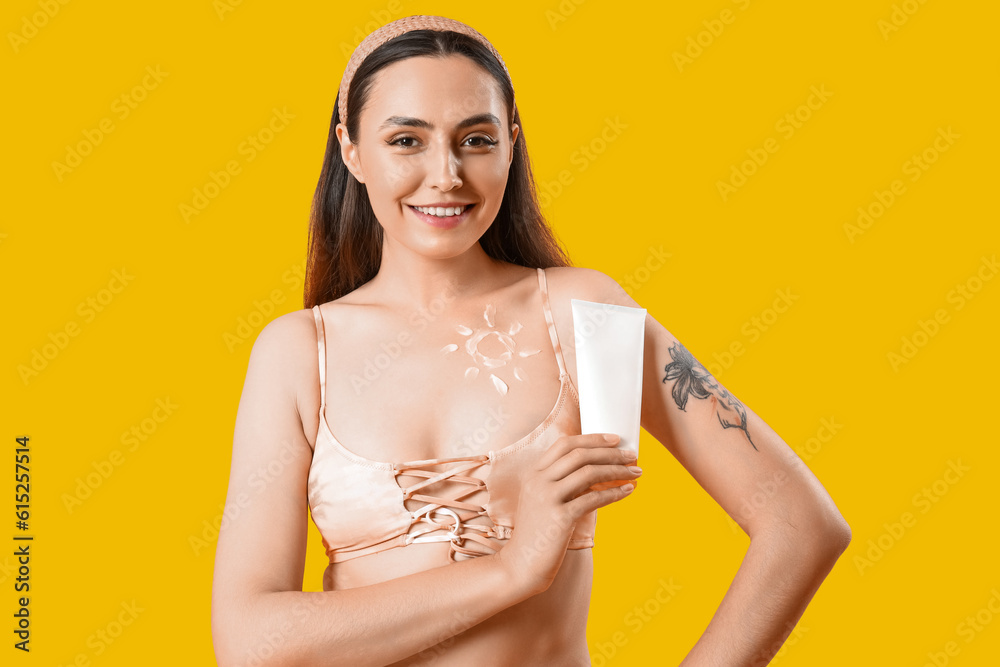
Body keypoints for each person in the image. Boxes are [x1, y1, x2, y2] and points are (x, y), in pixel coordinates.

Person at [210, 15, 851, 667]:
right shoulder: (296, 354)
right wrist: (513, 569)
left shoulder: (587, 315)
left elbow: (801, 524)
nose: (446, 175)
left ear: (511, 144)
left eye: (476, 139)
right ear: (351, 149)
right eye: (406, 140)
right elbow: (249, 642)